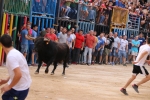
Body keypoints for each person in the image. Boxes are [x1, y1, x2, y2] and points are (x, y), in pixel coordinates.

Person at [0, 34, 32, 100]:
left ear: (1, 44)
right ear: (12, 42)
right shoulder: (15, 52)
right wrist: (7, 80)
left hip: (20, 89)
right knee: (5, 97)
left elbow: (18, 74)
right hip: (19, 86)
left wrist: (9, 86)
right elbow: (18, 71)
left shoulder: (11, 56)